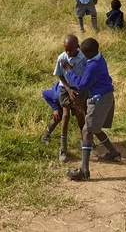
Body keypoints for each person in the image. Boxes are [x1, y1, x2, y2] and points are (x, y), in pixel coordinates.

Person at [64, 38, 121, 181]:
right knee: (95, 127)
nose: (82, 55)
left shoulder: (94, 66)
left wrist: (69, 71)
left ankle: (84, 170)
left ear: (90, 53)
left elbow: (82, 85)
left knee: (87, 130)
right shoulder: (99, 57)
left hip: (99, 99)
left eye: (84, 53)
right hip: (103, 96)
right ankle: (113, 153)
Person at [41, 34, 87, 163]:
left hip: (79, 88)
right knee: (65, 114)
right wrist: (68, 89)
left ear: (77, 47)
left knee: (79, 113)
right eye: (65, 49)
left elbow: (85, 76)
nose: (68, 52)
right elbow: (60, 75)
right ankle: (63, 147)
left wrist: (80, 92)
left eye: (70, 49)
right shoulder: (62, 57)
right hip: (65, 88)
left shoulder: (83, 58)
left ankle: (86, 142)